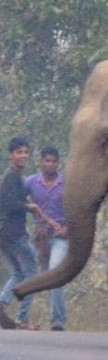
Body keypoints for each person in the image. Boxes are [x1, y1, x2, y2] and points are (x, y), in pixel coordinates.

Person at [0, 136, 42, 330]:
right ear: (11, 155)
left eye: (26, 152)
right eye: (19, 152)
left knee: (18, 273)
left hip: (6, 233)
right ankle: (23, 318)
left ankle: (2, 304)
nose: (23, 155)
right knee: (32, 275)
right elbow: (10, 204)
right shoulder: (11, 177)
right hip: (13, 233)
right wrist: (29, 207)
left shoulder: (16, 176)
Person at [25, 146, 69, 331]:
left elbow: (79, 207)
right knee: (26, 271)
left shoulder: (66, 182)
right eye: (46, 161)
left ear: (58, 163)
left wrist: (68, 229)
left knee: (54, 272)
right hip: (40, 236)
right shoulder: (30, 182)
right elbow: (13, 198)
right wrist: (31, 208)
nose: (50, 164)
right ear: (41, 162)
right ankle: (20, 317)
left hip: (61, 237)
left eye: (53, 161)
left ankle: (58, 320)